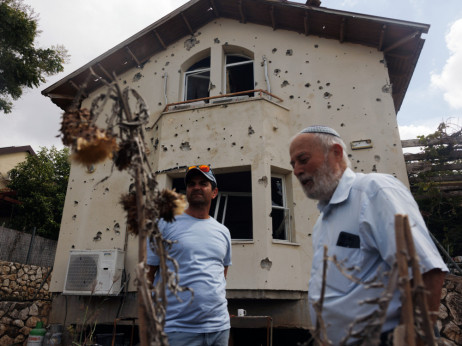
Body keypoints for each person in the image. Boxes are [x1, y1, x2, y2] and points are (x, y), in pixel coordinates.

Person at [289, 125, 448, 345]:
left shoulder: (374, 191)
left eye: (303, 159)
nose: (296, 170)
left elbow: (425, 271)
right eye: (293, 164)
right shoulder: (323, 221)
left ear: (335, 153)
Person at [147, 165, 232, 346]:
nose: (196, 187)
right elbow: (148, 274)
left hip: (219, 328)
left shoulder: (223, 232)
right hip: (176, 329)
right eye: (191, 184)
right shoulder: (164, 224)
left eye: (203, 183)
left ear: (214, 192)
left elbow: (221, 274)